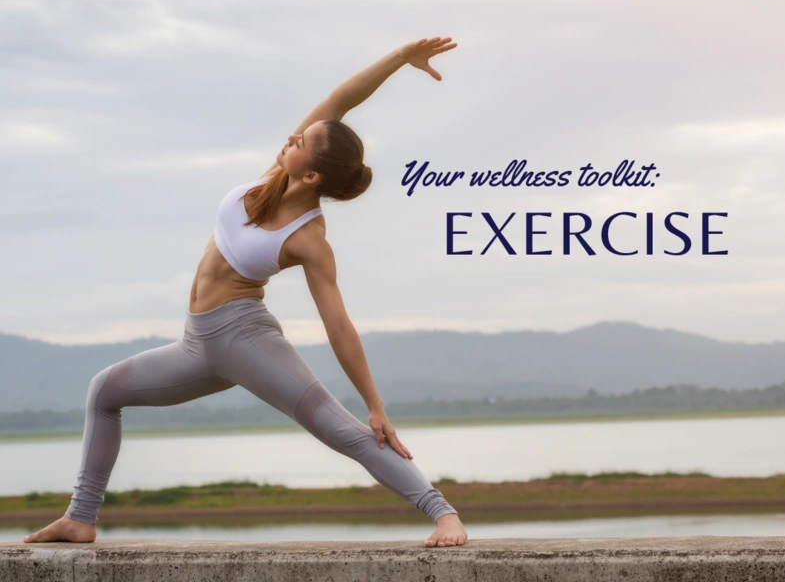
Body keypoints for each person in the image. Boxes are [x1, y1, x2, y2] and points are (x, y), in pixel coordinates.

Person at [23, 36, 467, 548]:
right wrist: (397, 59)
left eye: (300, 142)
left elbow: (338, 326)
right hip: (196, 345)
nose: (291, 138)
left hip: (246, 341)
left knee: (344, 432)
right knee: (104, 392)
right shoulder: (274, 178)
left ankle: (443, 514)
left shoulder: (309, 239)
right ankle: (80, 518)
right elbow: (341, 100)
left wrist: (376, 405)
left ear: (313, 173)